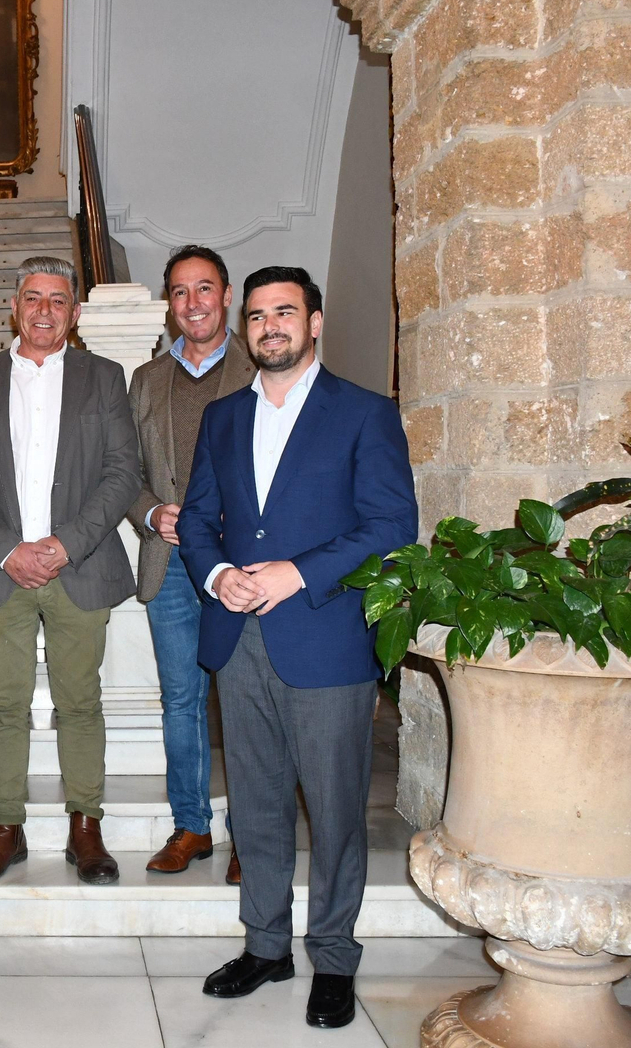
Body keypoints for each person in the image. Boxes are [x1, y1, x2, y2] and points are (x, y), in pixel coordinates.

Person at [177, 266, 416, 1030]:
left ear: (315, 322)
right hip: (238, 637)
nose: (269, 326)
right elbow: (197, 521)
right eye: (256, 316)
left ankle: (335, 957)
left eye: (285, 312)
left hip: (328, 639)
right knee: (255, 805)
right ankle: (267, 945)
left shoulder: (364, 414)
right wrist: (217, 576)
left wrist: (297, 573)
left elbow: (390, 527)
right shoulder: (222, 419)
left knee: (338, 809)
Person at [0, 257, 141, 886]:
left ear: (75, 313)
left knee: (80, 703)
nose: (45, 311)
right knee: (5, 705)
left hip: (77, 568)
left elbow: (121, 473)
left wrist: (63, 545)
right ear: (15, 306)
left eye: (59, 300)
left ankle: (86, 827)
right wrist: (8, 549)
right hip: (1, 571)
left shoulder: (104, 378)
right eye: (34, 298)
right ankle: (6, 826)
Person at [128, 246, 255, 880]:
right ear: (169, 304)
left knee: (244, 699)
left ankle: (249, 836)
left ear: (226, 296)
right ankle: (192, 826)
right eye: (180, 292)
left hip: (241, 562)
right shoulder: (146, 380)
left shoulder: (261, 369)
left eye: (204, 289)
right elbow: (124, 474)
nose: (193, 303)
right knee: (181, 697)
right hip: (172, 562)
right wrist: (153, 514)